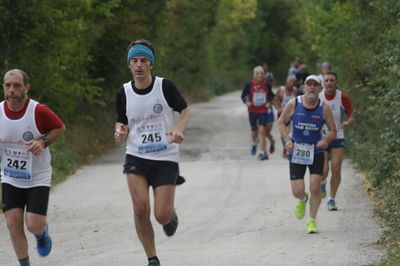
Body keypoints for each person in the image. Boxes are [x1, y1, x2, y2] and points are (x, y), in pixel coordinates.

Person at [115, 39, 190, 266]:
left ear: (151, 64)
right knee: (140, 208)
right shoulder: (124, 92)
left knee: (161, 215)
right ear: (129, 65)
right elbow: (122, 122)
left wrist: (178, 128)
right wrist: (119, 131)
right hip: (136, 155)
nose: (138, 65)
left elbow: (184, 109)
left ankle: (171, 214)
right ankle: (152, 258)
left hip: (165, 157)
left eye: (143, 60)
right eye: (134, 61)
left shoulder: (164, 87)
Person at [1, 69, 65, 266]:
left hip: (38, 177)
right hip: (11, 177)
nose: (12, 90)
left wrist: (43, 142)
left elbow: (59, 128)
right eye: (8, 85)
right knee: (13, 224)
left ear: (26, 88)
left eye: (17, 85)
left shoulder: (38, 111)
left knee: (34, 225)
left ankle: (41, 234)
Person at [278, 75, 336, 233]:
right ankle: (303, 199)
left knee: (316, 186)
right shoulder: (293, 103)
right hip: (297, 149)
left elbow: (333, 131)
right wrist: (286, 140)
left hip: (316, 150)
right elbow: (281, 122)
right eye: (308, 84)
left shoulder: (324, 108)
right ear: (304, 87)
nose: (311, 87)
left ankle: (312, 221)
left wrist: (326, 140)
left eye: (315, 85)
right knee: (297, 190)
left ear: (320, 88)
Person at [319, 71, 355, 211]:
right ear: (323, 82)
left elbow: (351, 114)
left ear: (336, 81)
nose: (329, 83)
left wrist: (347, 123)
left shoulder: (343, 97)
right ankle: (322, 182)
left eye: (332, 80)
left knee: (336, 168)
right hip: (321, 136)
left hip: (338, 135)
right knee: (324, 170)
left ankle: (331, 198)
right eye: (326, 80)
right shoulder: (319, 96)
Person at [241, 66, 275, 160]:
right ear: (254, 75)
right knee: (254, 132)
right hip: (252, 111)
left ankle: (261, 152)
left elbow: (271, 95)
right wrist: (246, 102)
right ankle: (255, 143)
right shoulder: (249, 84)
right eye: (258, 74)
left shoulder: (267, 84)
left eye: (262, 74)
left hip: (263, 111)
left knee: (262, 130)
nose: (260, 75)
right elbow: (243, 95)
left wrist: (269, 102)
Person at [273, 76, 297, 157]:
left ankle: (289, 149)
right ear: (286, 82)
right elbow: (275, 100)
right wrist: (278, 109)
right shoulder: (281, 90)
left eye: (293, 82)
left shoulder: (295, 91)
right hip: (282, 113)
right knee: (283, 133)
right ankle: (285, 148)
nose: (292, 84)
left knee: (290, 132)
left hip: (292, 115)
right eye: (290, 82)